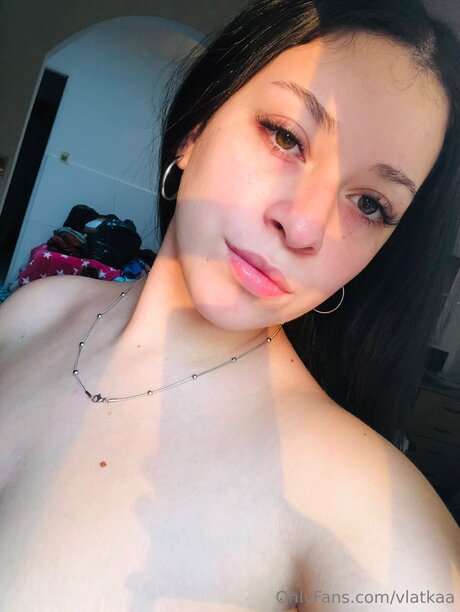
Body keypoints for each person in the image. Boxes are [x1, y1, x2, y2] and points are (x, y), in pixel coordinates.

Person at [0, 0, 459, 609]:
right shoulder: (34, 313)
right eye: (286, 137)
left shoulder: (351, 495)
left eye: (370, 204)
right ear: (194, 131)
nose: (303, 225)